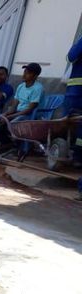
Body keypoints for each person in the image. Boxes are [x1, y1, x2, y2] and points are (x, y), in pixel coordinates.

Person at [0, 63, 44, 146]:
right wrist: (5, 115)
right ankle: (7, 143)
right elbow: (13, 106)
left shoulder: (37, 88)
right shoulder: (21, 86)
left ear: (35, 76)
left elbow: (29, 110)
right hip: (17, 112)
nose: (24, 74)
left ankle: (15, 144)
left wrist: (10, 117)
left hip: (29, 115)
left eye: (28, 73)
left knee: (11, 124)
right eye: (25, 71)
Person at [64, 36, 82, 197]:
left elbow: (70, 56)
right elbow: (71, 57)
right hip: (76, 94)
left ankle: (76, 156)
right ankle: (76, 156)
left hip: (75, 93)